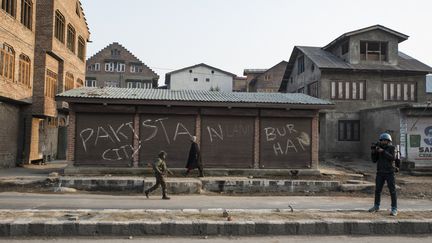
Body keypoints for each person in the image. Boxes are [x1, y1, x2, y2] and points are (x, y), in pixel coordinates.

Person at [368, 133, 399, 216]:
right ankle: (376, 206)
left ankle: (394, 208)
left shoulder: (392, 148)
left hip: (390, 172)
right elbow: (374, 160)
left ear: (389, 141)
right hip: (380, 172)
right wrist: (374, 152)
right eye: (382, 140)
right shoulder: (379, 149)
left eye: (385, 140)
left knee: (392, 191)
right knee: (377, 190)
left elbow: (392, 158)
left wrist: (383, 151)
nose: (383, 142)